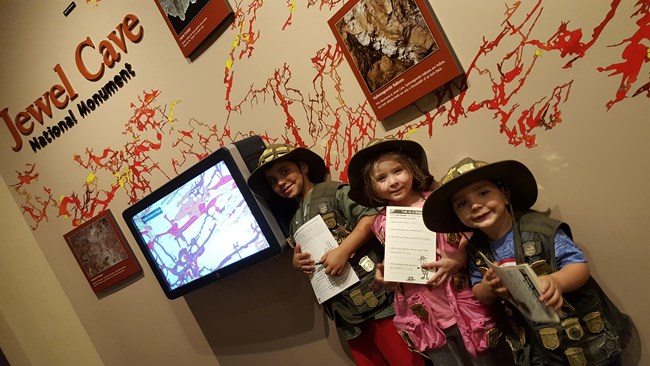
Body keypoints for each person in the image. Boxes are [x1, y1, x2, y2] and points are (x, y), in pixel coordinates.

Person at [422, 157, 631, 365]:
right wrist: (487, 288)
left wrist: (557, 281)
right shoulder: (477, 248)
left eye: (483, 193)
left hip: (584, 340)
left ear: (505, 195)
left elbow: (578, 265)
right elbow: (478, 290)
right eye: (462, 204)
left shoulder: (541, 230)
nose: (475, 205)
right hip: (535, 346)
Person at [247, 143, 424, 366]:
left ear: (302, 166)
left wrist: (343, 250)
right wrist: (298, 262)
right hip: (345, 312)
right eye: (273, 180)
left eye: (285, 171)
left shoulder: (334, 192)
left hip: (376, 301)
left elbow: (371, 218)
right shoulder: (294, 222)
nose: (281, 182)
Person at [347, 139, 509, 366]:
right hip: (424, 317)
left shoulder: (439, 202)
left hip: (464, 304)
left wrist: (458, 259)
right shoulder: (380, 223)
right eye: (382, 178)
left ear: (411, 170)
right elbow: (396, 261)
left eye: (398, 171)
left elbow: (474, 241)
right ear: (371, 187)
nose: (393, 182)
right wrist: (387, 277)